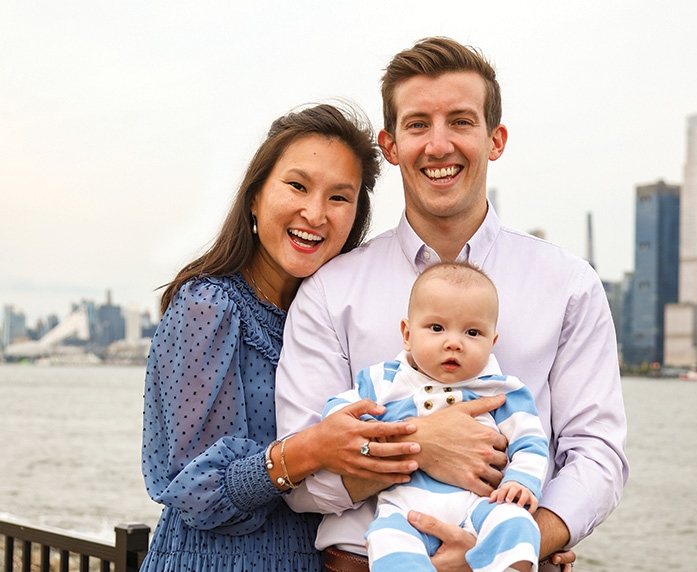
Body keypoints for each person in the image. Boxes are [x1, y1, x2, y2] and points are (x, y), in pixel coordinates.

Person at [276, 37, 629, 572]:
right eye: (418, 125)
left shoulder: (570, 285)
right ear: (391, 146)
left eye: (461, 121)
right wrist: (424, 445)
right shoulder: (329, 291)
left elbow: (598, 455)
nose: (439, 145)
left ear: (496, 139)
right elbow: (301, 476)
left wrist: (515, 545)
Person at [140, 103, 425, 572]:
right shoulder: (208, 305)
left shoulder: (330, 317)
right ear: (255, 196)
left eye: (339, 197)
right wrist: (312, 448)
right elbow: (192, 485)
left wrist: (512, 528)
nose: (314, 213)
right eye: (297, 186)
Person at [323, 262, 549, 572]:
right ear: (407, 334)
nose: (453, 342)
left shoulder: (501, 390)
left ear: (492, 342)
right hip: (405, 511)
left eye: (472, 332)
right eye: (437, 328)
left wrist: (522, 480)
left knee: (517, 523)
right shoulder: (382, 381)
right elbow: (337, 415)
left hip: (480, 507)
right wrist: (373, 433)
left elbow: (531, 442)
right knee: (385, 538)